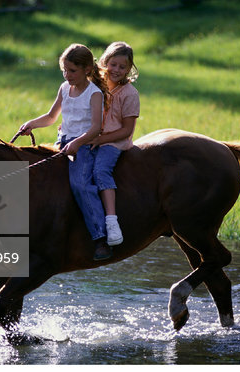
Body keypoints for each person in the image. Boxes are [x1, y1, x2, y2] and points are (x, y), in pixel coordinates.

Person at [18, 43, 112, 260]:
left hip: (85, 146)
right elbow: (52, 117)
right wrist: (31, 123)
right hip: (63, 143)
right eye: (64, 70)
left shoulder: (94, 93)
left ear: (87, 69)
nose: (67, 75)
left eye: (72, 71)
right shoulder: (64, 88)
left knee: (80, 185)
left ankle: (100, 238)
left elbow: (96, 128)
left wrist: (78, 143)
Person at [90, 41, 140, 249]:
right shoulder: (96, 85)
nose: (116, 70)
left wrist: (101, 139)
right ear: (105, 62)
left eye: (122, 67)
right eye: (113, 64)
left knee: (101, 171)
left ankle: (111, 221)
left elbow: (127, 130)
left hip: (114, 143)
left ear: (129, 69)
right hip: (92, 136)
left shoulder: (129, 94)